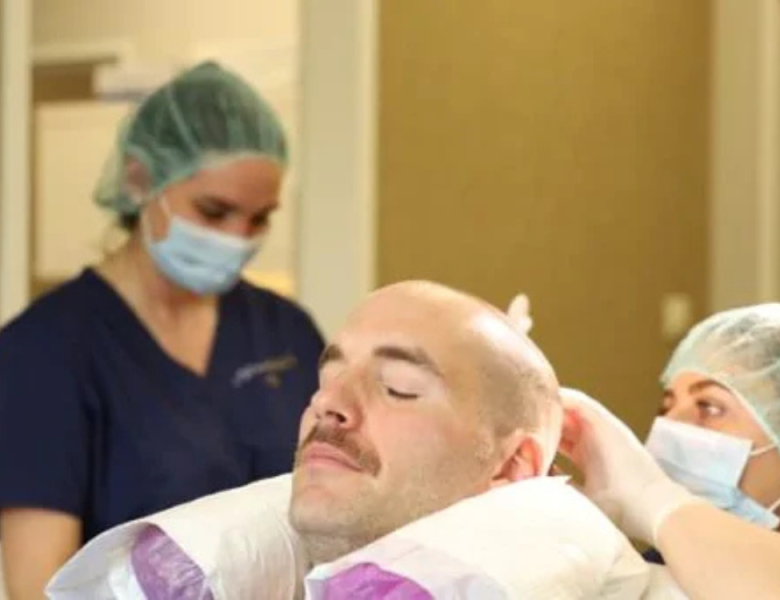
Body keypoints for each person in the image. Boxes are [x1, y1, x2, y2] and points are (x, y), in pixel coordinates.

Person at [0, 61, 323, 599]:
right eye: (215, 211)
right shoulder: (42, 352)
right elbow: (42, 588)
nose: (238, 238)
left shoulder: (285, 331)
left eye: (259, 218)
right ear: (139, 179)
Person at [561, 388, 780, 600]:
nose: (672, 422)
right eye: (665, 408)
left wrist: (654, 499)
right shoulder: (643, 579)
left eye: (710, 407)